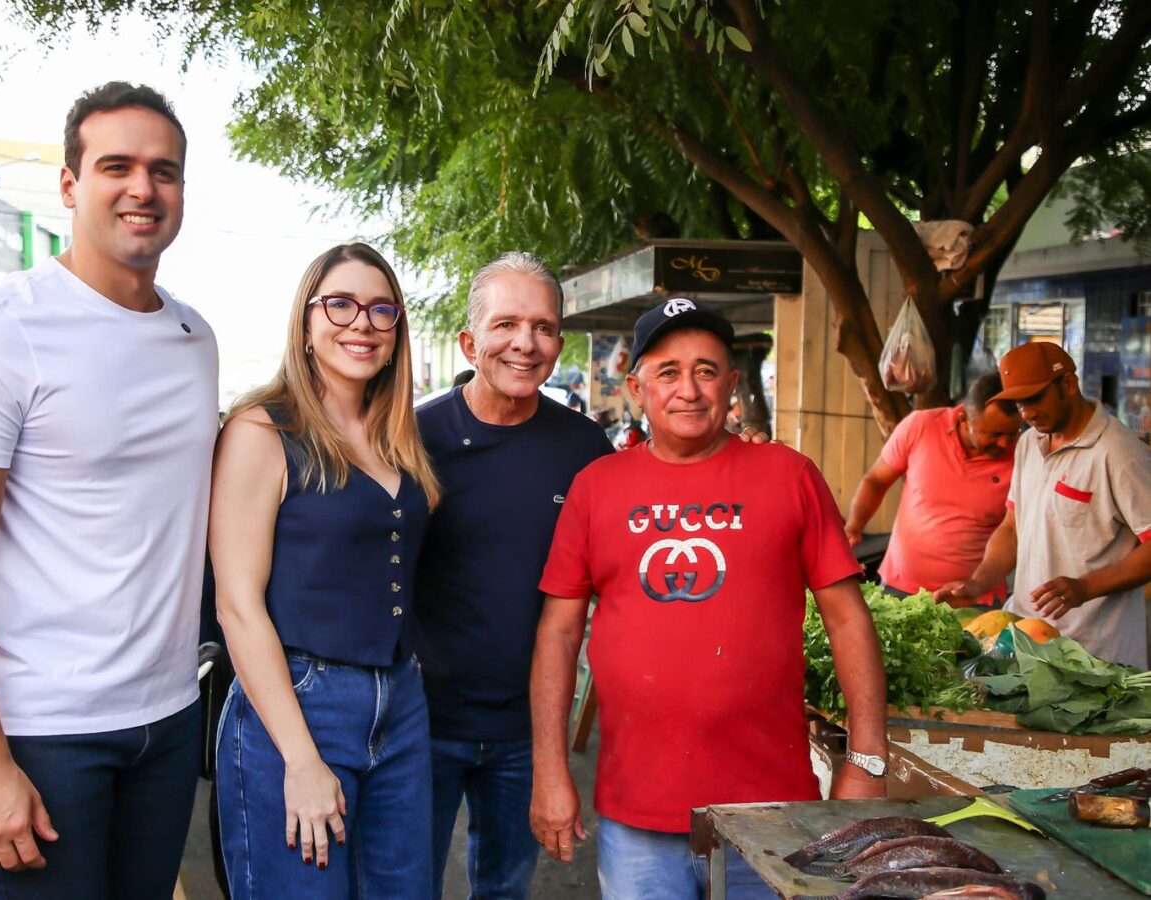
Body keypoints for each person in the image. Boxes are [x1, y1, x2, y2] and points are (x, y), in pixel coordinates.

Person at [0, 83, 216, 898]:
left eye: (164, 170)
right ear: (72, 185)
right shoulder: (1, 334)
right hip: (47, 736)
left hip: (171, 719)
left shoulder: (194, 338)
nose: (143, 188)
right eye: (116, 166)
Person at [530, 299, 888, 900]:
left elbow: (848, 618)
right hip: (636, 814)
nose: (688, 389)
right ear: (636, 387)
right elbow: (558, 634)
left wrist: (867, 759)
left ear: (733, 384)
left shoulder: (789, 475)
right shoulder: (597, 488)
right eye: (668, 372)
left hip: (771, 811)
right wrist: (550, 771)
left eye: (706, 370)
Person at [210, 243, 441, 898]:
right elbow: (237, 606)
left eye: (381, 309)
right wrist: (300, 758)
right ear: (306, 322)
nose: (361, 323)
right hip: (299, 703)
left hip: (401, 702)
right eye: (339, 304)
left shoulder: (398, 434)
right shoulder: (263, 429)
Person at [413, 252, 613, 899]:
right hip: (420, 725)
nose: (525, 343)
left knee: (502, 890)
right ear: (471, 341)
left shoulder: (585, 452)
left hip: (526, 730)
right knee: (400, 887)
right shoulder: (413, 437)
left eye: (544, 327)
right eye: (506, 325)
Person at [936, 343, 1151, 667]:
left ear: (1068, 384)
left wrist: (1085, 587)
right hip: (1024, 641)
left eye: (1034, 399)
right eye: (1020, 404)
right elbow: (1012, 528)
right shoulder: (1028, 444)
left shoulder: (1119, 453)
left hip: (1098, 656)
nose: (1027, 413)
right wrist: (977, 583)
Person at [844, 373, 1022, 606]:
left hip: (973, 600)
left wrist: (978, 584)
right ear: (965, 418)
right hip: (900, 589)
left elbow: (1012, 532)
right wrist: (854, 527)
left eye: (1012, 433)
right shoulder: (921, 426)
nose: (1005, 444)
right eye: (995, 435)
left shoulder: (1022, 455)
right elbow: (876, 480)